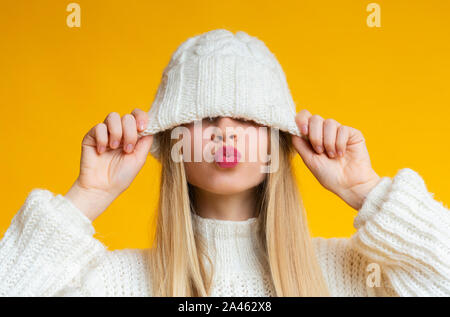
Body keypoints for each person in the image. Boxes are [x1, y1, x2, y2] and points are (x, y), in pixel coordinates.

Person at [1, 29, 449, 297]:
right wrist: (86, 198)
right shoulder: (114, 280)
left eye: (249, 117)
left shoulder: (354, 273)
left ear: (278, 139)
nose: (225, 131)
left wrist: (365, 191)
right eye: (204, 116)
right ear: (171, 139)